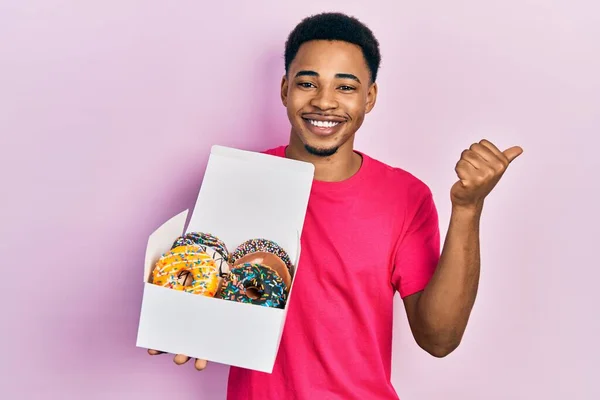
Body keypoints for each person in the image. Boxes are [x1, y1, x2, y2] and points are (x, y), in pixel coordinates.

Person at [148, 12, 523, 399]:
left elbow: (439, 339)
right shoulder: (241, 180)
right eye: (307, 83)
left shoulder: (405, 196)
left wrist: (467, 209)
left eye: (345, 87)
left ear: (369, 97)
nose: (324, 102)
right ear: (284, 89)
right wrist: (182, 321)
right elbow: (207, 288)